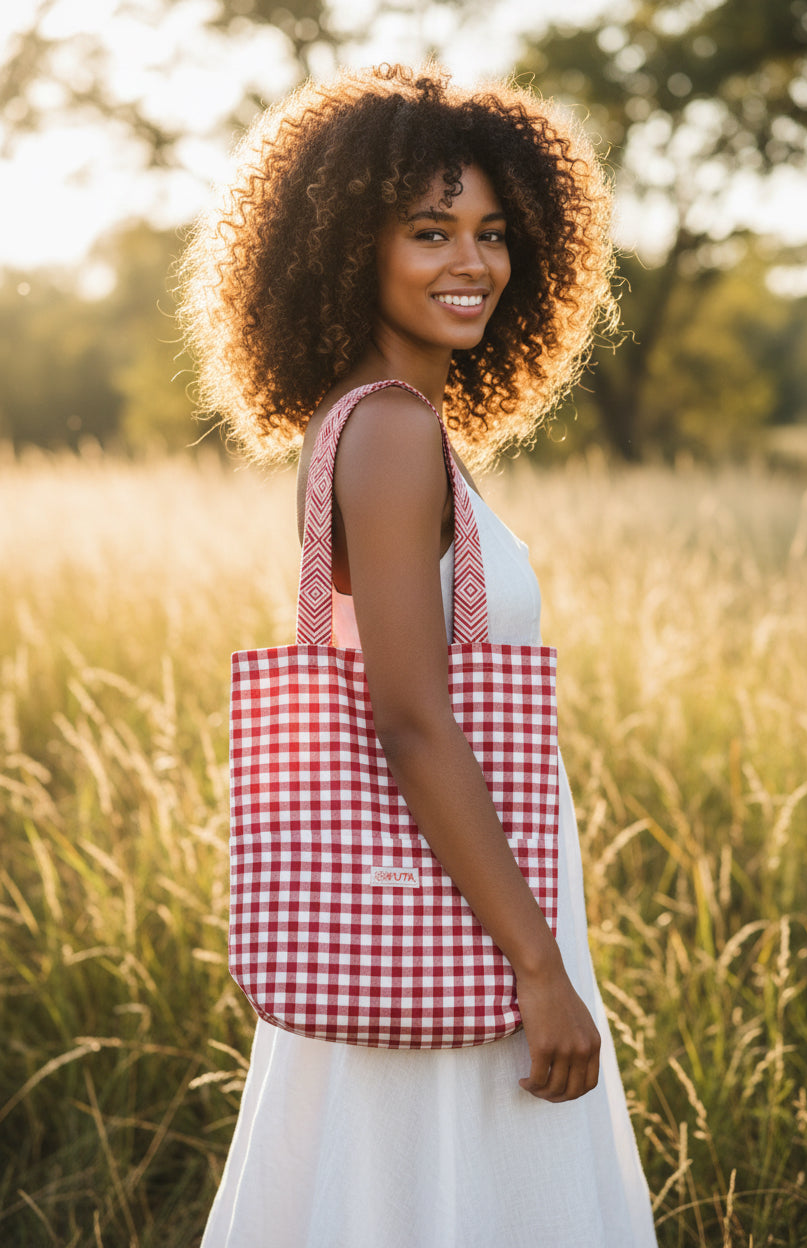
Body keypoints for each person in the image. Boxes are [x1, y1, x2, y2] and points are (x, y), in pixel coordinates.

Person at [180, 62, 658, 1247]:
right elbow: (410, 719)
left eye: (493, 232)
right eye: (428, 229)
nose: (472, 262)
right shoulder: (389, 431)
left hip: (427, 909)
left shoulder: (379, 419)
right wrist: (539, 970)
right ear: (352, 247)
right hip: (458, 922)